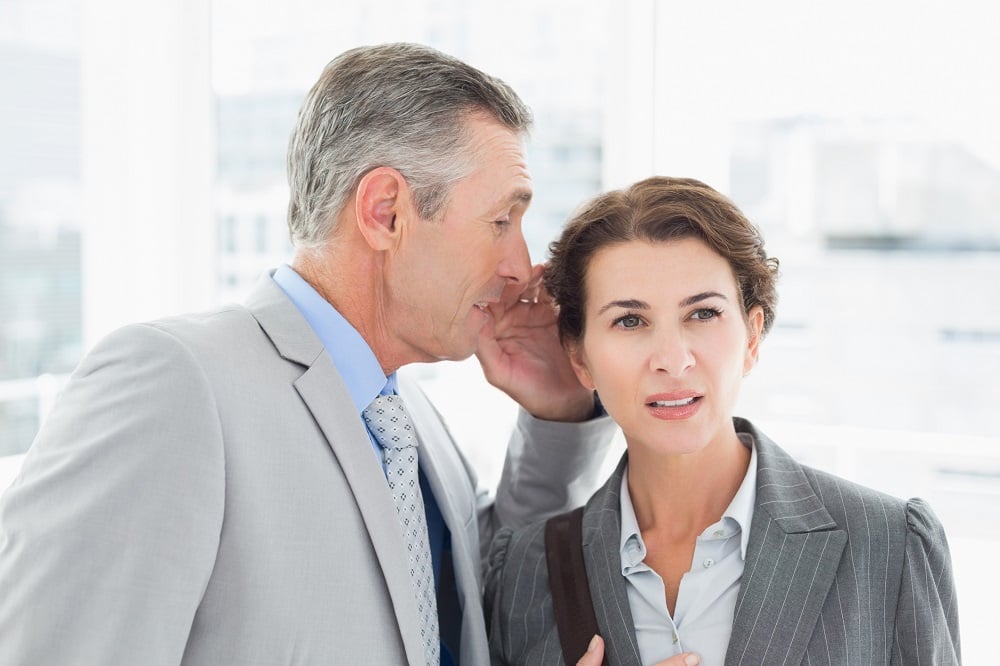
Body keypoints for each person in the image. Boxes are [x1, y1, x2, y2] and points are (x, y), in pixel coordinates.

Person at [0, 43, 630, 666]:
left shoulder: (411, 420)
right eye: (501, 222)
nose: (522, 269)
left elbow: (465, 614)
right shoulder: (171, 383)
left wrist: (555, 417)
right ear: (385, 213)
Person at [485, 176, 961, 665]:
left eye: (703, 314)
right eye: (629, 321)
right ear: (579, 356)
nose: (672, 359)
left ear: (752, 337)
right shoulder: (525, 571)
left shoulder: (889, 545)